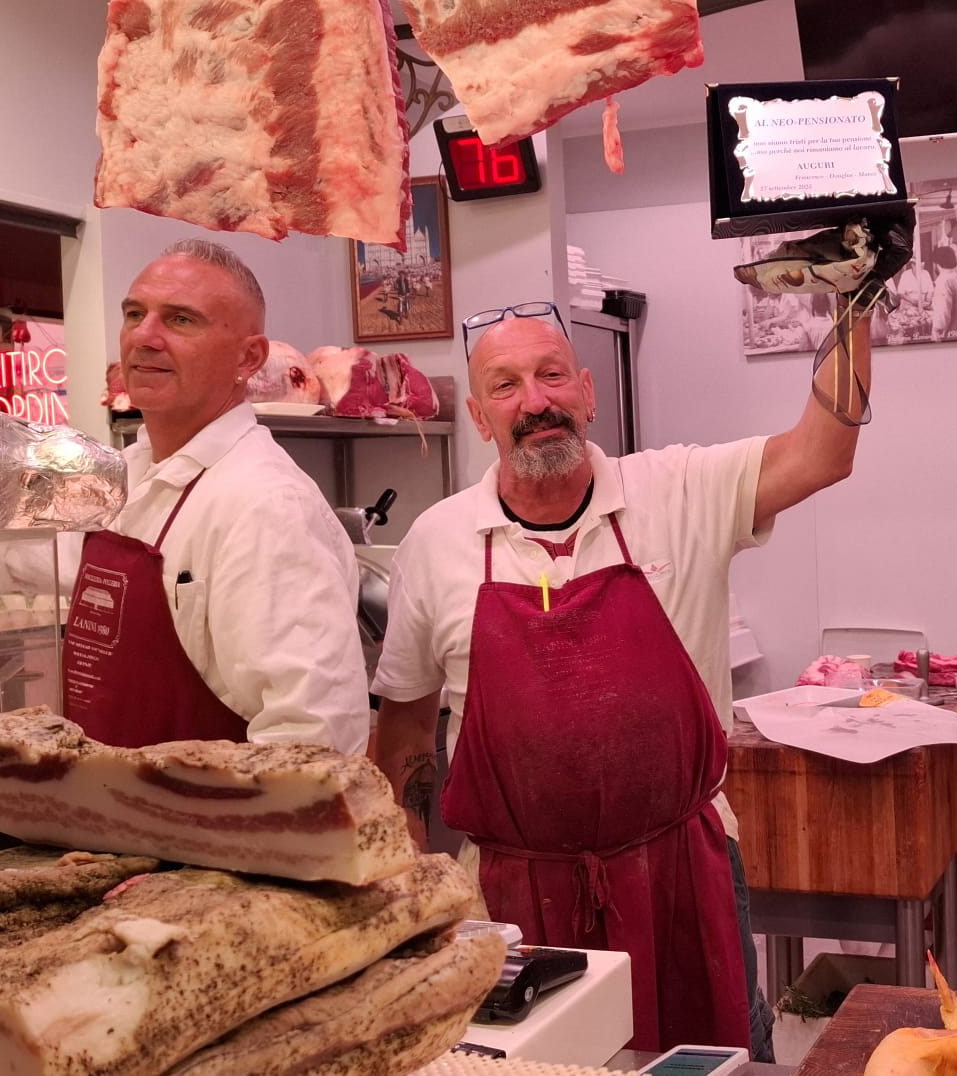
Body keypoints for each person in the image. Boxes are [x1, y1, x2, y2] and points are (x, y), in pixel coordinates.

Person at [370, 237, 901, 1059]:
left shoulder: (680, 489)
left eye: (551, 375)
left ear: (586, 393)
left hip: (684, 875)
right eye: (505, 386)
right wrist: (408, 893)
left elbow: (823, 451)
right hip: (513, 900)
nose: (534, 401)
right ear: (477, 417)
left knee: (714, 1063)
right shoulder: (436, 543)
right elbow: (403, 731)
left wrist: (855, 301)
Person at [58, 240, 369, 753]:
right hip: (102, 800)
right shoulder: (126, 475)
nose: (144, 337)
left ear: (249, 357)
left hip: (200, 807)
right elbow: (36, 559)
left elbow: (312, 743)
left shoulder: (266, 505)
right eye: (134, 314)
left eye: (180, 320)